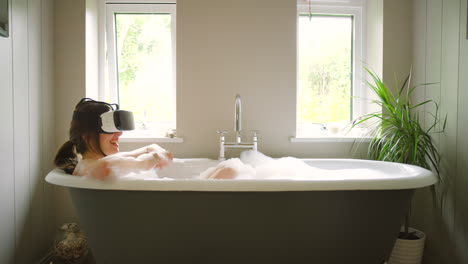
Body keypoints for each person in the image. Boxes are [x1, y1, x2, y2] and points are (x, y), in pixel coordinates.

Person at [54, 98, 173, 180]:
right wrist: (149, 161)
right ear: (87, 136)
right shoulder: (93, 167)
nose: (119, 134)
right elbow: (106, 167)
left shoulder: (97, 162)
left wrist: (158, 152)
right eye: (110, 128)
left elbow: (148, 148)